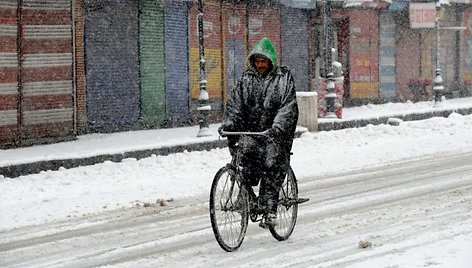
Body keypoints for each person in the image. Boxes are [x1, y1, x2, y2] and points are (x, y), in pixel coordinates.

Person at [218, 37, 299, 228]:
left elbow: (288, 107)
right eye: (257, 61)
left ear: (271, 61)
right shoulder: (246, 80)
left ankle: (270, 209)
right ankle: (246, 196)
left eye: (263, 61)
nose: (260, 65)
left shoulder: (283, 79)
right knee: (244, 157)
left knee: (272, 163)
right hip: (253, 133)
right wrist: (229, 125)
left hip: (274, 135)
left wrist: (278, 127)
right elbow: (234, 105)